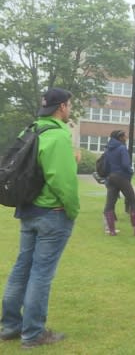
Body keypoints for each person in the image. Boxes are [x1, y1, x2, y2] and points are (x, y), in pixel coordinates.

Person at [1, 88, 79, 348]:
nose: (69, 109)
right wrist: (73, 210)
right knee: (41, 273)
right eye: (69, 105)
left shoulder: (30, 129)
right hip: (52, 214)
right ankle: (33, 333)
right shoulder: (58, 135)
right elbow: (63, 181)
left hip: (28, 209)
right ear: (62, 107)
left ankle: (10, 325)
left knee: (21, 268)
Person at [103, 129, 135, 236]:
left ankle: (111, 230)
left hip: (111, 177)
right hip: (121, 177)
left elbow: (105, 166)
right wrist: (131, 171)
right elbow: (125, 165)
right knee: (133, 202)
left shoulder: (108, 149)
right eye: (125, 136)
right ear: (120, 138)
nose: (126, 138)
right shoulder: (122, 148)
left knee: (110, 204)